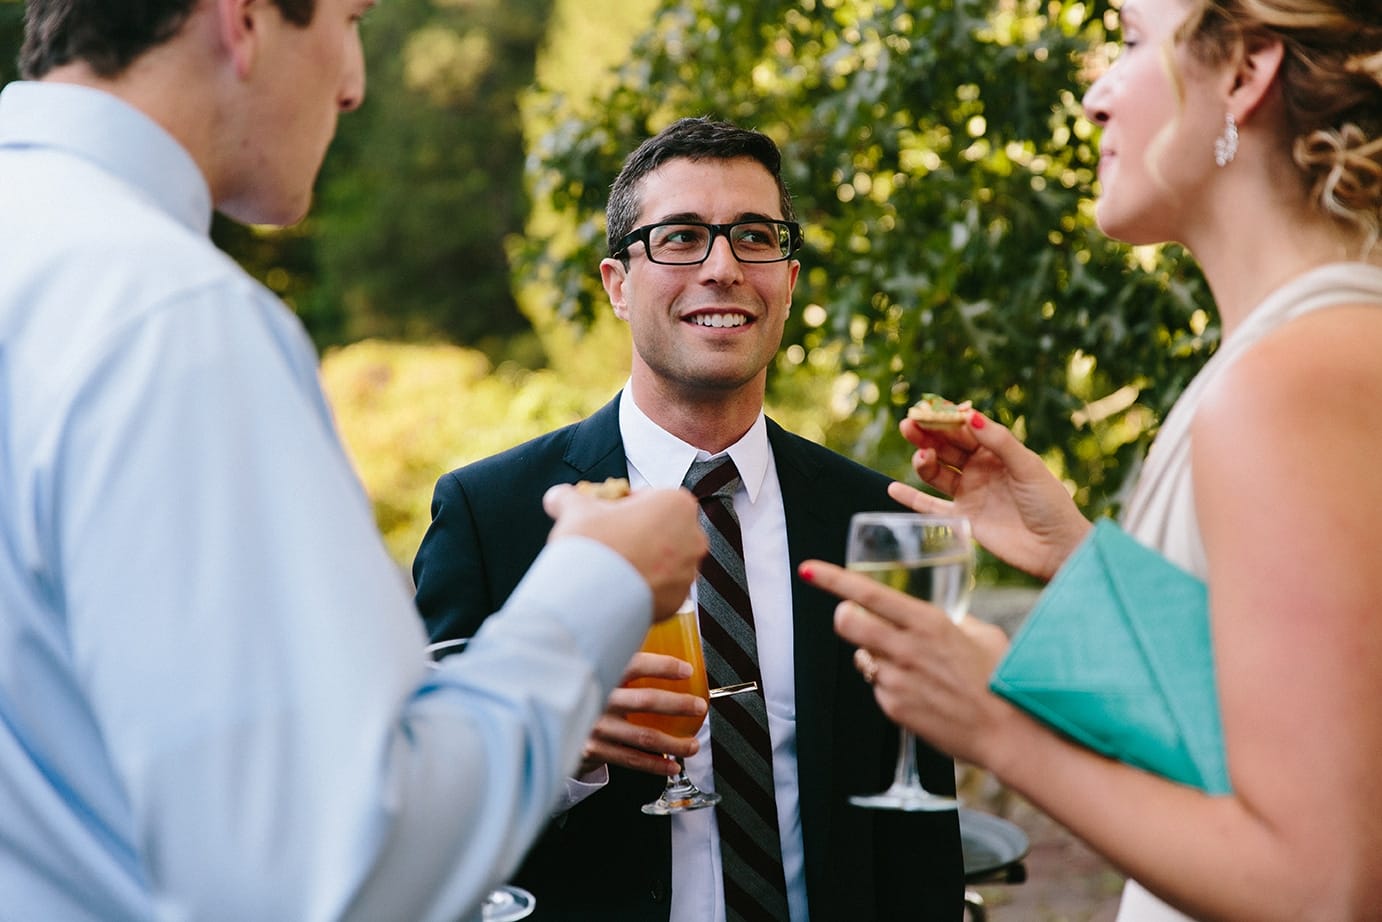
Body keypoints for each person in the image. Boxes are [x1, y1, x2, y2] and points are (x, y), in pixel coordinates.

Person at [0, 2, 708, 920]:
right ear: (245, 19)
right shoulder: (169, 317)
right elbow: (346, 872)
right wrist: (599, 585)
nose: (354, 84)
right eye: (349, 20)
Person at [799, 0, 1382, 919]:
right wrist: (1072, 551)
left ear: (1243, 73)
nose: (1095, 95)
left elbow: (1323, 886)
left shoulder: (1292, 379)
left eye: (1133, 40)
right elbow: (1230, 724)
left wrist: (991, 721)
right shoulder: (1305, 349)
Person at [412, 117, 965, 920]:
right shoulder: (489, 513)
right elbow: (427, 803)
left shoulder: (872, 518)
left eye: (754, 237)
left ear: (790, 278)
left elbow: (915, 825)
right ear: (617, 283)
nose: (723, 267)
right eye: (679, 238)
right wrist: (561, 743)